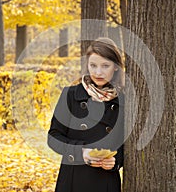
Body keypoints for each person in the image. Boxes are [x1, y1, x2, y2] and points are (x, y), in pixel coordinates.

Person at [47, 37, 124, 192]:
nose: (98, 72)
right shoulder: (70, 95)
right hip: (73, 178)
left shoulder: (123, 100)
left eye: (105, 66)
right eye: (93, 65)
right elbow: (53, 137)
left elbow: (126, 143)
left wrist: (116, 162)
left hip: (106, 181)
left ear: (115, 67)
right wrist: (81, 152)